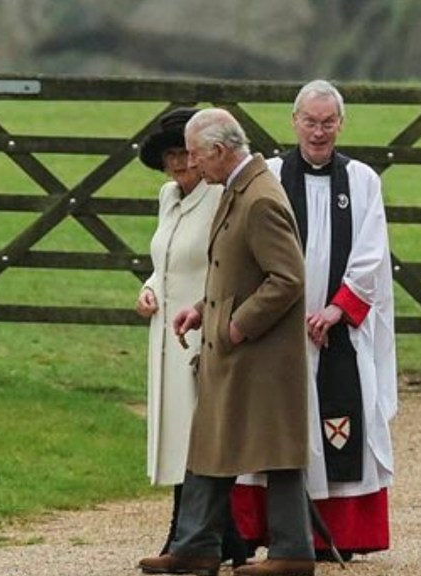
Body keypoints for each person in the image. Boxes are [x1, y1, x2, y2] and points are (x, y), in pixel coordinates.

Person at [138, 108, 316, 576]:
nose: (192, 164)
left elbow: (288, 277)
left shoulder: (258, 198)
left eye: (196, 154)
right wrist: (201, 310)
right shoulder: (235, 190)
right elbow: (232, 270)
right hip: (230, 345)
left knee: (276, 449)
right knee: (211, 442)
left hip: (259, 352)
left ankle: (292, 552)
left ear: (219, 151)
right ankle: (196, 546)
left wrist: (237, 325)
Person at [233, 79, 398, 561]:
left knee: (341, 423)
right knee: (273, 426)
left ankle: (339, 535)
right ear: (294, 121)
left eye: (328, 122)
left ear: (341, 124)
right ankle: (271, 532)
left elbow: (372, 256)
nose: (319, 132)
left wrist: (337, 309)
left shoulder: (364, 180)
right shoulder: (270, 174)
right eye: (310, 121)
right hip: (281, 330)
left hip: (336, 331)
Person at [135, 107, 248, 567]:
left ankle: (195, 536)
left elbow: (227, 264)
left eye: (186, 154)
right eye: (171, 156)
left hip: (202, 329)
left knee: (200, 438)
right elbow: (165, 260)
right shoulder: (168, 196)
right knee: (179, 437)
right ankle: (212, 537)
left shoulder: (220, 196)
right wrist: (148, 288)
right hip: (166, 333)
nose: (181, 165)